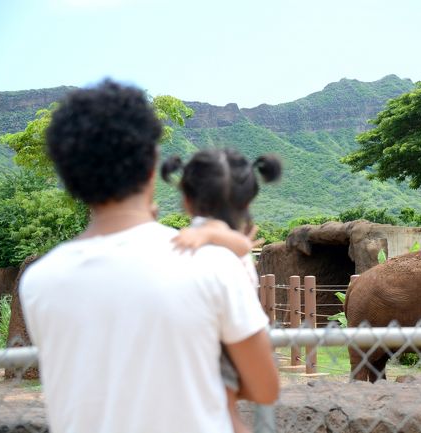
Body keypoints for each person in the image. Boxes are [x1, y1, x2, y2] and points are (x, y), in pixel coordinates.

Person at [19, 79, 279, 433]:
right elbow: (265, 387)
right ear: (151, 163)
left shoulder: (39, 282)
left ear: (68, 175)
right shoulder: (211, 263)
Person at [161, 148, 281, 433]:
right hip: (226, 362)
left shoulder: (175, 245)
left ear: (186, 200)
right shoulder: (230, 253)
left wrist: (209, 233)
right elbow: (265, 389)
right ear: (247, 201)